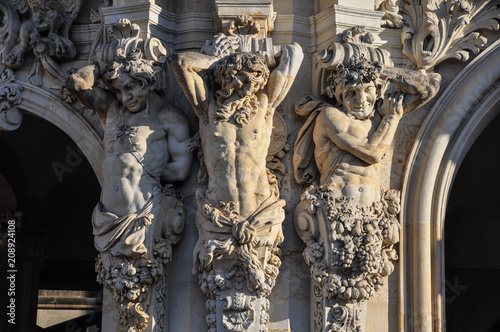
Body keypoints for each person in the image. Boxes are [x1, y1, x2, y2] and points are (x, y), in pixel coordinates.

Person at [171, 34, 302, 292]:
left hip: (259, 211)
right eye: (237, 80)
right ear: (225, 79)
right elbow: (180, 62)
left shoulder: (265, 105)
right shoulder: (207, 109)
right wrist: (215, 59)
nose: (244, 89)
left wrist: (262, 55)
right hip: (219, 215)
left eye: (251, 82)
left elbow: (294, 54)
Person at [294, 54, 440, 206]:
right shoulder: (330, 116)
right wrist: (392, 118)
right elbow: (372, 153)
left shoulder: (379, 115)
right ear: (339, 96)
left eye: (367, 90)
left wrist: (382, 72)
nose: (361, 100)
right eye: (351, 93)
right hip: (336, 208)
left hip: (376, 214)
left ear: (377, 92)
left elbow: (429, 87)